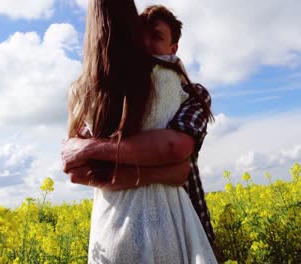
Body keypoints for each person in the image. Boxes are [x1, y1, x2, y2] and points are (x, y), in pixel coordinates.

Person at [64, 0, 217, 262]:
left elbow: (176, 148)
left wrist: (92, 149)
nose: (145, 45)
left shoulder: (192, 93)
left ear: (174, 48)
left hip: (186, 219)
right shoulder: (106, 91)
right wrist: (167, 172)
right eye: (140, 37)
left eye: (156, 37)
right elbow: (78, 171)